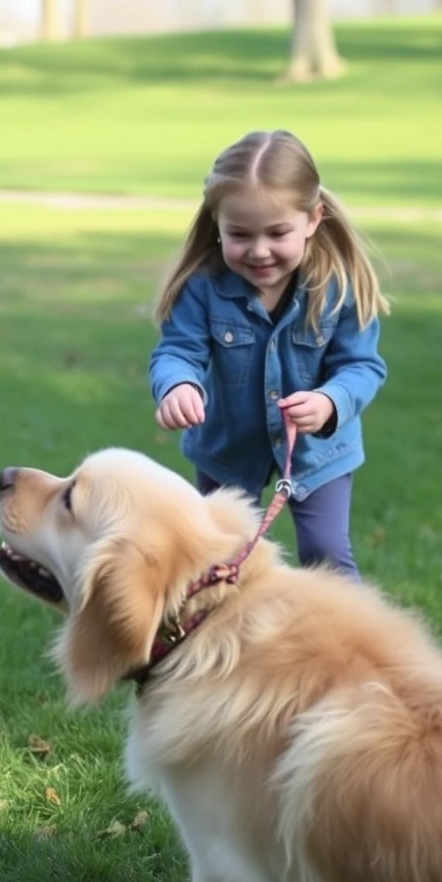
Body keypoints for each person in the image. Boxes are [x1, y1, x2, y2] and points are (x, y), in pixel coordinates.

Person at [149, 129, 389, 580]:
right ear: (216, 225)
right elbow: (177, 351)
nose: (259, 251)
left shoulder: (338, 288)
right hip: (228, 449)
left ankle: (356, 647)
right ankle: (227, 646)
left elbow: (362, 365)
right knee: (218, 559)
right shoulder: (203, 288)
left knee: (326, 553)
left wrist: (331, 401)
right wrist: (177, 384)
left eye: (278, 233)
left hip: (320, 454)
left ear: (314, 219)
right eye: (239, 234)